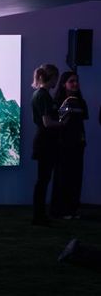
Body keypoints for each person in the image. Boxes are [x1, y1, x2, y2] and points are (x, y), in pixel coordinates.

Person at [30, 64, 67, 225]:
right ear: (51, 77)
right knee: (43, 180)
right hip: (46, 142)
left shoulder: (37, 94)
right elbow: (47, 123)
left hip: (43, 141)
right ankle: (39, 216)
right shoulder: (44, 95)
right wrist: (63, 123)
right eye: (56, 78)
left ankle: (39, 215)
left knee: (42, 180)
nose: (56, 82)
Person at [51, 71, 87, 219]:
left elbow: (81, 122)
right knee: (62, 177)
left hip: (78, 144)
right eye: (71, 81)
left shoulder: (80, 101)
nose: (75, 84)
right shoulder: (60, 101)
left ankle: (73, 209)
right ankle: (61, 210)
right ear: (64, 83)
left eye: (76, 81)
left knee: (76, 178)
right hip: (63, 145)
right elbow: (59, 122)